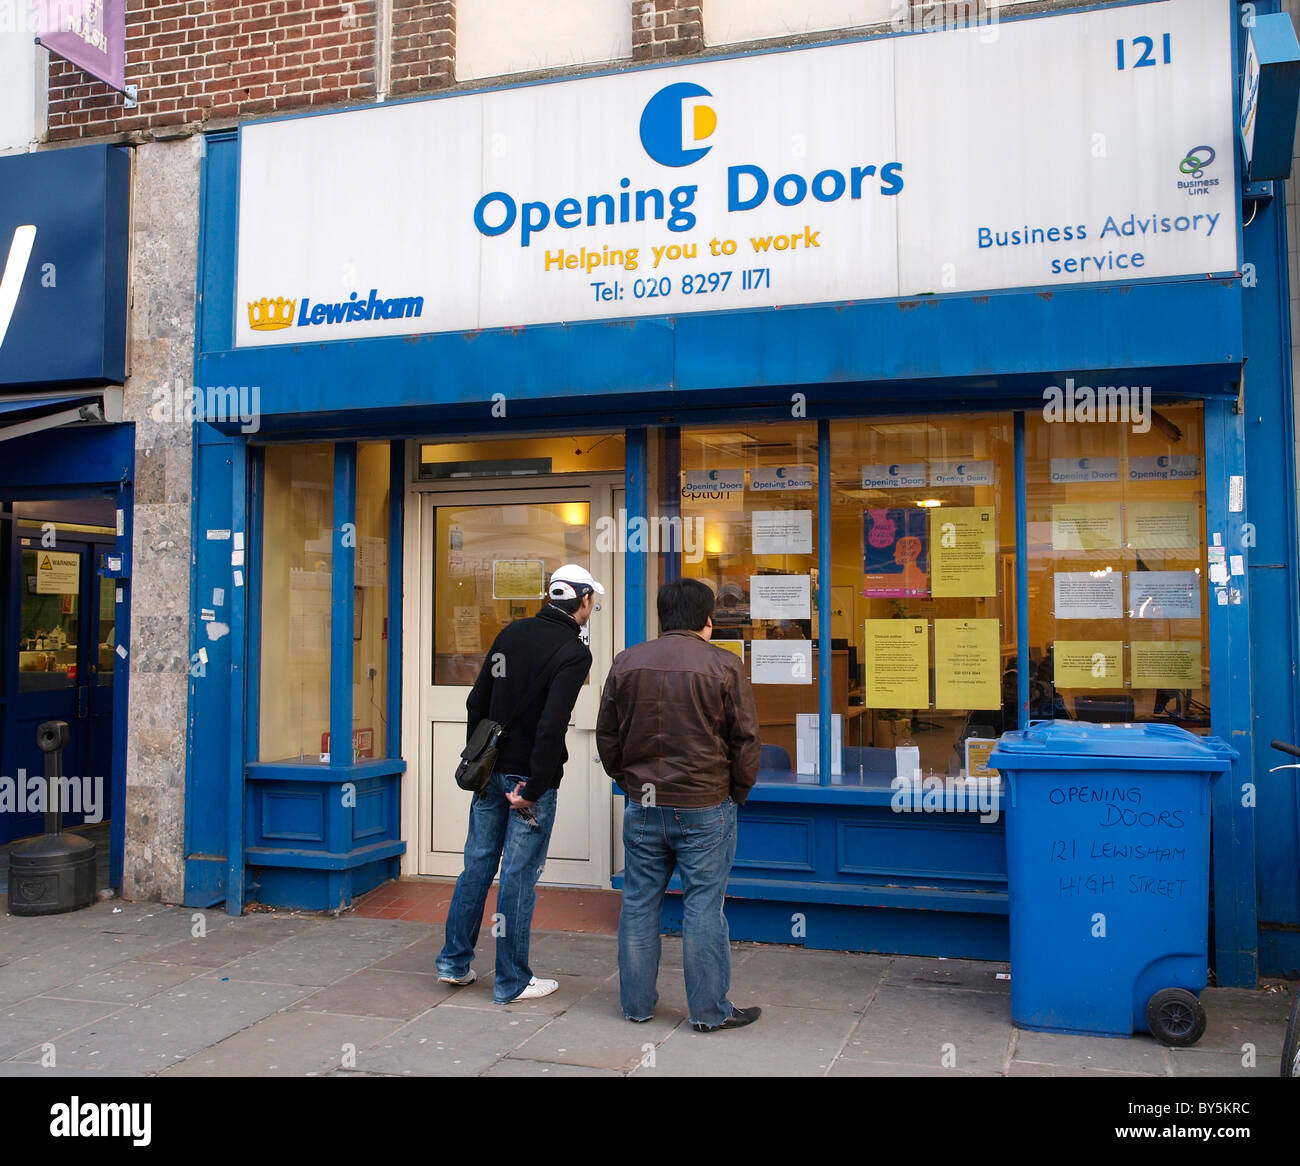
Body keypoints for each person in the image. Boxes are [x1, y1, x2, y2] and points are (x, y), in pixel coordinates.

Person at [596, 577, 762, 1032]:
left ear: (662, 617)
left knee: (638, 904)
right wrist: (736, 793)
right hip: (705, 803)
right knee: (704, 907)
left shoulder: (627, 662)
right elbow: (745, 741)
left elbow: (607, 735)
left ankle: (636, 1006)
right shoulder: (724, 665)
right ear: (708, 619)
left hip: (644, 804)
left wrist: (627, 780)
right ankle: (709, 1012)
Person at [436, 564, 601, 1003]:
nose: (593, 610)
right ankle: (512, 980)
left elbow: (477, 702)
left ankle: (454, 962)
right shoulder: (573, 651)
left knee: (477, 865)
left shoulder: (510, 634)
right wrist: (536, 786)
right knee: (518, 875)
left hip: (492, 773)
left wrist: (483, 759)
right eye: (593, 603)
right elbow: (551, 726)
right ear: (582, 600)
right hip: (528, 779)